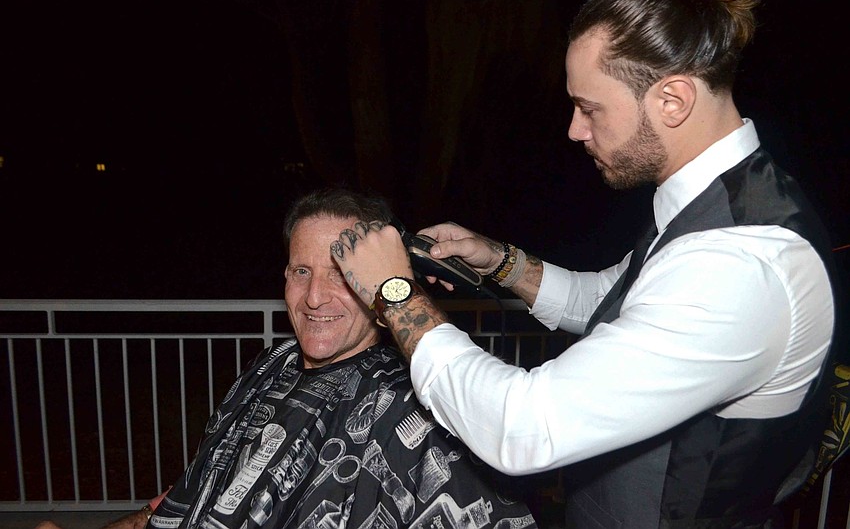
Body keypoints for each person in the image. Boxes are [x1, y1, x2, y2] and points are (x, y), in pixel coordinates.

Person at [328, 0, 841, 527]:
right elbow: (609, 299)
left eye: (590, 108)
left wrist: (393, 292)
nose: (574, 129)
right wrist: (499, 261)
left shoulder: (742, 266)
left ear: (672, 101)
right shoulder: (710, 207)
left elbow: (520, 426)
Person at [36, 188, 538, 529]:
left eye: (342, 274)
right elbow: (194, 495)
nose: (315, 297)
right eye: (301, 270)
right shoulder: (270, 366)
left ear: (378, 280)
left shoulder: (416, 408)